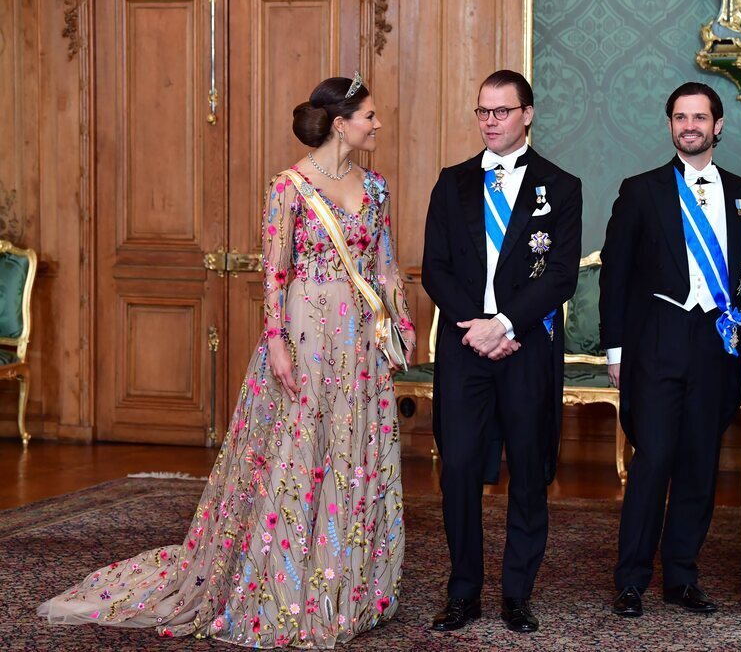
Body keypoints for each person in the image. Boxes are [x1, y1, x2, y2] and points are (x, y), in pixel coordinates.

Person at [38, 74, 416, 648]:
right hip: (307, 336)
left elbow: (385, 266)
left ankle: (347, 589)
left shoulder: (377, 188)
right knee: (299, 452)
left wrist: (401, 320)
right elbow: (275, 273)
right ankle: (287, 591)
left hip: (360, 340)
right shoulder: (289, 187)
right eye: (369, 115)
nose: (377, 124)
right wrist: (278, 344)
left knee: (353, 451)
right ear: (341, 123)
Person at [421, 69, 582, 634]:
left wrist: (507, 322)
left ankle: (518, 594)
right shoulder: (452, 182)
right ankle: (463, 591)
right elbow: (434, 266)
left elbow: (562, 275)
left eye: (503, 111)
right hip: (467, 346)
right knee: (459, 466)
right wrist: (477, 327)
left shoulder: (561, 186)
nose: (491, 122)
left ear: (527, 114)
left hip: (527, 344)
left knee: (529, 470)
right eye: (483, 112)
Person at [599, 82, 741, 617]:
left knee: (698, 462)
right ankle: (631, 579)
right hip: (657, 339)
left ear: (719, 126)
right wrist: (615, 351)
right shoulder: (641, 190)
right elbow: (614, 275)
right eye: (680, 117)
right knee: (654, 459)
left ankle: (682, 577)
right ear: (670, 124)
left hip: (716, 343)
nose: (690, 125)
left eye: (700, 117)